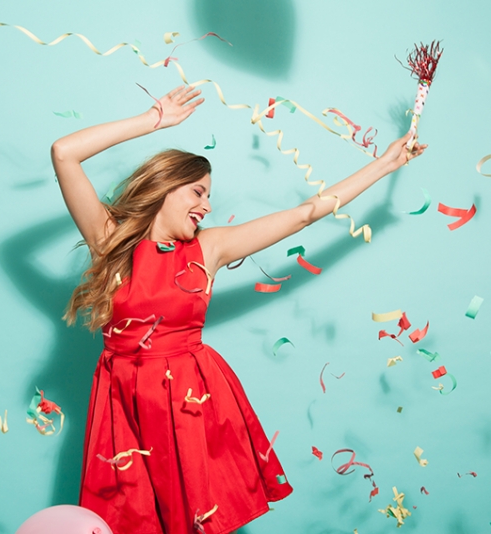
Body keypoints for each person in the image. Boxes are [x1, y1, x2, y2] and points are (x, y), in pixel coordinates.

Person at [51, 85, 426, 534]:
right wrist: (154, 119)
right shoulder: (109, 240)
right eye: (197, 192)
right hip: (122, 402)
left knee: (194, 521)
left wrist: (387, 163)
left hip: (191, 402)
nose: (206, 206)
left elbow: (305, 213)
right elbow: (64, 153)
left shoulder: (209, 248)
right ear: (165, 187)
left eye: (208, 196)